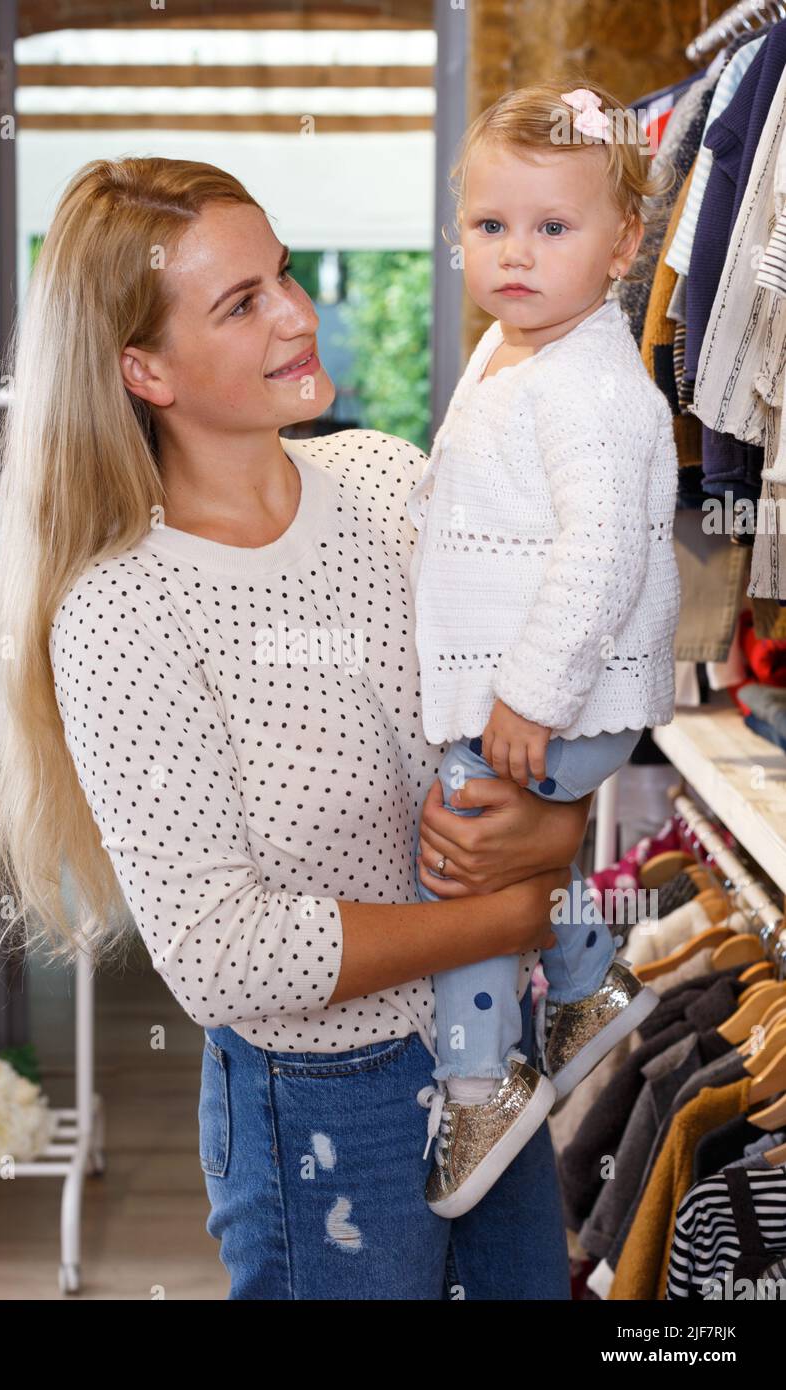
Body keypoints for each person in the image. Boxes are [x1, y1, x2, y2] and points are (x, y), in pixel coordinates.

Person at [0, 154, 594, 1299]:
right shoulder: (124, 607)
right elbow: (222, 954)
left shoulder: (387, 480)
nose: (299, 315)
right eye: (242, 303)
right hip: (323, 1106)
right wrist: (510, 912)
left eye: (285, 276)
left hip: (496, 1050)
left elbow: (526, 725)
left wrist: (555, 837)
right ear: (141, 368)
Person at [407, 80, 683, 1219]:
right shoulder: (509, 348)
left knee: (465, 872)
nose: (514, 255)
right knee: (500, 864)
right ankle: (580, 987)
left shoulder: (593, 388)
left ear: (623, 245)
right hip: (535, 694)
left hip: (566, 695)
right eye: (490, 227)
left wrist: (527, 694)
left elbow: (603, 555)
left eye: (551, 229)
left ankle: (481, 1083)